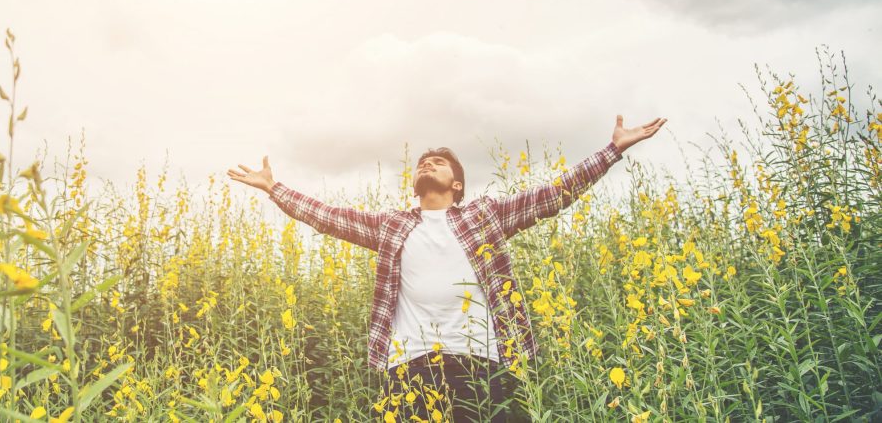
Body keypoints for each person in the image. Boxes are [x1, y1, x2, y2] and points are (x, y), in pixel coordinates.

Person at [227, 115, 666, 421]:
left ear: (457, 184)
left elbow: (553, 194)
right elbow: (328, 216)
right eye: (422, 162)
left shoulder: (484, 216)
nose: (426, 164)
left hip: (481, 361)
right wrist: (275, 189)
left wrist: (611, 151)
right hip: (410, 366)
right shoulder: (392, 226)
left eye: (436, 163)